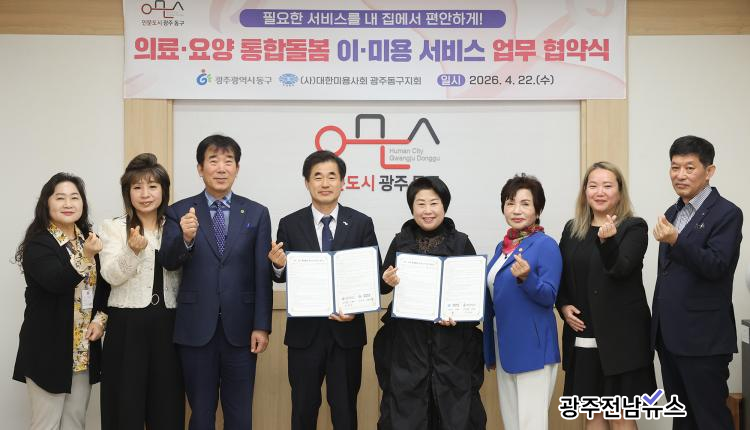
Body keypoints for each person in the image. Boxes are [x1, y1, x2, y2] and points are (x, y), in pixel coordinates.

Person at [161, 135, 273, 429]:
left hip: (242, 330)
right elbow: (169, 262)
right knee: (200, 414)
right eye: (213, 161)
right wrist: (186, 238)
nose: (221, 168)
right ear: (200, 168)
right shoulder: (179, 211)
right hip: (195, 329)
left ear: (237, 168)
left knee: (240, 415)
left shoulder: (257, 213)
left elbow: (262, 273)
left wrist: (261, 325)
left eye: (228, 161)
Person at [267, 150, 380, 430]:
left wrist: (354, 309)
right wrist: (278, 266)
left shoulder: (361, 223)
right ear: (307, 183)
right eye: (317, 177)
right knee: (303, 410)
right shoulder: (290, 224)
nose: (325, 183)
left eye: (332, 176)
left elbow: (371, 275)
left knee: (345, 411)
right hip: (304, 335)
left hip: (346, 333)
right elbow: (280, 275)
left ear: (343, 182)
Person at [374, 176, 486, 430]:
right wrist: (387, 279)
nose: (427, 210)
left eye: (434, 203)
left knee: (453, 412)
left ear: (444, 206)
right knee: (407, 411)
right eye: (420, 203)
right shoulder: (400, 241)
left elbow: (474, 294)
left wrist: (458, 315)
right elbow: (382, 286)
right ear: (412, 207)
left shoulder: (461, 242)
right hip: (408, 346)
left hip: (451, 346)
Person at [651, 135, 743, 430]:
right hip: (670, 337)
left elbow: (717, 265)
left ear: (709, 171)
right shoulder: (672, 212)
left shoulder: (727, 213)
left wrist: (677, 241)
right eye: (675, 167)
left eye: (689, 168)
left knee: (710, 419)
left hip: (703, 339)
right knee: (683, 420)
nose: (680, 175)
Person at [556, 162, 656, 429]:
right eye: (593, 185)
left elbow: (621, 269)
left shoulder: (634, 227)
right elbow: (560, 276)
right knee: (593, 415)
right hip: (584, 334)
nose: (599, 192)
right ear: (585, 191)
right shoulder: (572, 229)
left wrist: (607, 241)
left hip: (622, 339)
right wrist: (563, 305)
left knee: (620, 416)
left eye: (607, 186)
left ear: (620, 192)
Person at [13, 172, 109, 430]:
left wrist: (100, 321)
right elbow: (56, 281)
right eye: (60, 198)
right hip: (47, 349)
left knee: (75, 423)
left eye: (74, 197)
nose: (68, 204)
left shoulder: (89, 239)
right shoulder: (39, 243)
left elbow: (104, 288)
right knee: (46, 424)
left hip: (83, 349)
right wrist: (85, 256)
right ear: (47, 203)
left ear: (83, 203)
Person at [98, 153, 184, 429]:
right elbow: (110, 276)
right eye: (137, 187)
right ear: (128, 192)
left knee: (167, 406)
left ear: (164, 191)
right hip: (127, 326)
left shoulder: (176, 227)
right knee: (125, 406)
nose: (145, 194)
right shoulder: (113, 227)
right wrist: (132, 252)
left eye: (152, 186)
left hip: (168, 325)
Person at [483, 174, 562, 430]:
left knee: (531, 424)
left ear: (538, 210)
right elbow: (493, 301)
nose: (516, 210)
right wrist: (488, 349)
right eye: (510, 203)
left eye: (525, 204)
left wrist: (528, 278)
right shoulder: (502, 247)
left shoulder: (546, 245)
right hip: (504, 346)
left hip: (533, 348)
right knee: (512, 423)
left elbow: (549, 296)